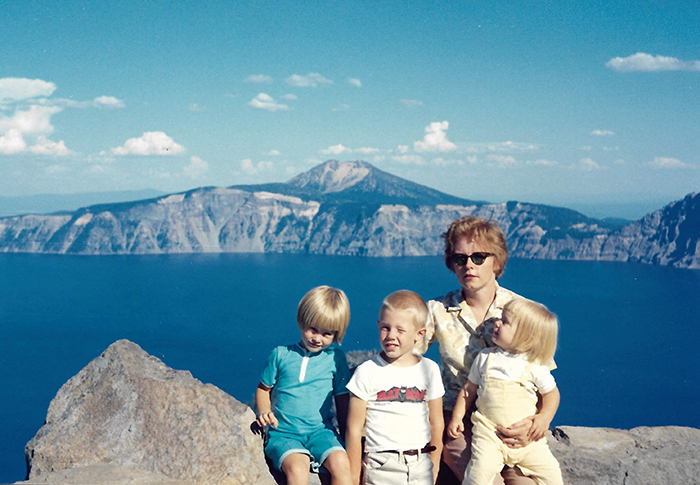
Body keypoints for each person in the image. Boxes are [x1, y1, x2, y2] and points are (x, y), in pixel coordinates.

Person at [415, 216, 549, 485]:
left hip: (510, 424)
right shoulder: (437, 310)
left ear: (496, 261)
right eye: (459, 258)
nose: (468, 265)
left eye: (478, 257)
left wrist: (540, 420)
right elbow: (405, 357)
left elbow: (543, 376)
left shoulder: (522, 310)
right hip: (458, 425)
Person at [447, 298, 563, 485]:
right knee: (478, 473)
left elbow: (551, 394)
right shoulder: (486, 357)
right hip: (489, 434)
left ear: (527, 336)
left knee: (552, 475)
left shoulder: (535, 364)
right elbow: (469, 389)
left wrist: (543, 418)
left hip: (529, 441)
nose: (497, 322)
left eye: (505, 321)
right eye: (500, 318)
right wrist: (457, 417)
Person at [255, 285, 352, 485]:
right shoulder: (280, 354)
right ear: (302, 320)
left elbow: (342, 400)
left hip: (321, 432)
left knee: (342, 464)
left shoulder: (336, 359)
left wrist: (347, 436)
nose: (317, 338)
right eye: (313, 329)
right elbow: (264, 389)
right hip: (284, 433)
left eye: (327, 334)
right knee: (298, 469)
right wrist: (264, 412)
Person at [346, 290, 445, 485]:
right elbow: (354, 428)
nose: (391, 335)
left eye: (400, 330)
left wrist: (434, 465)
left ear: (419, 334)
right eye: (385, 327)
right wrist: (354, 475)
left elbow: (436, 422)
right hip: (381, 465)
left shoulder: (430, 370)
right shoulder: (367, 371)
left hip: (420, 464)